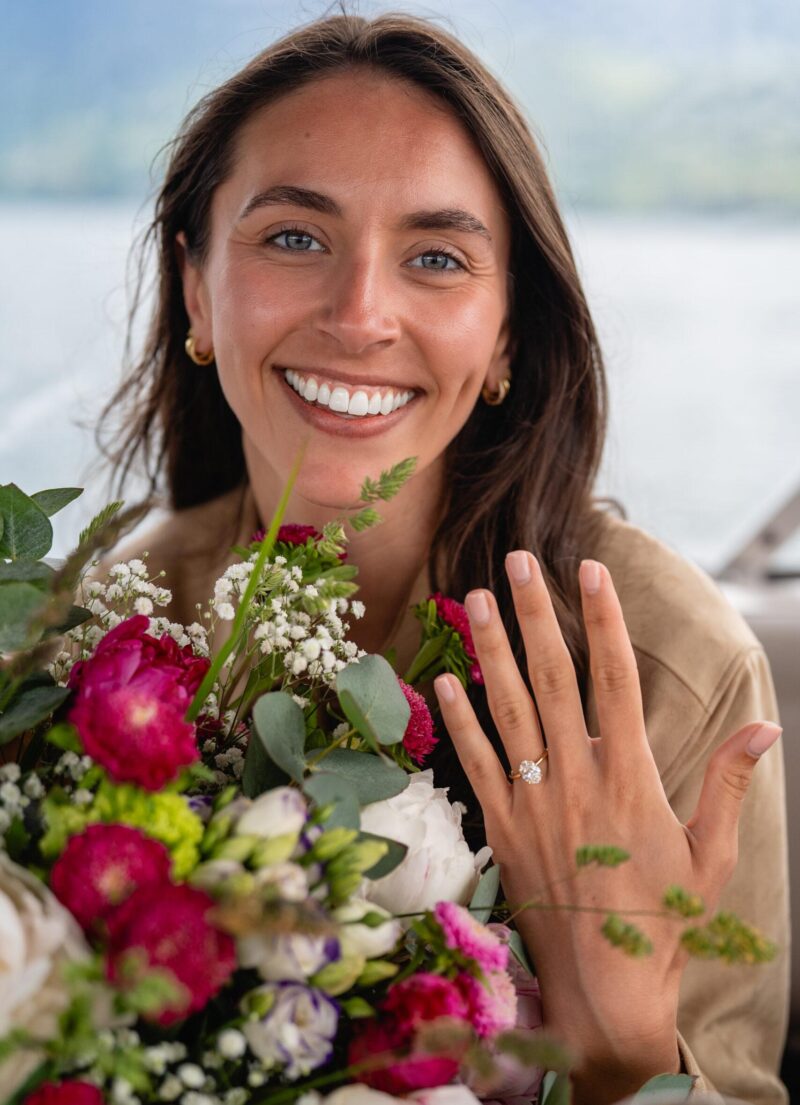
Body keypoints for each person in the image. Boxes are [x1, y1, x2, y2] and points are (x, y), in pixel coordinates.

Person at [98, 12, 789, 1103]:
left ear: (507, 329)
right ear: (194, 288)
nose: (360, 314)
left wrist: (621, 1049)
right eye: (292, 237)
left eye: (435, 257)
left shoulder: (666, 671)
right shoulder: (101, 642)